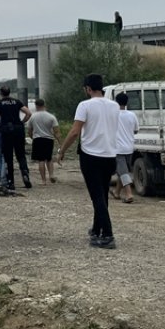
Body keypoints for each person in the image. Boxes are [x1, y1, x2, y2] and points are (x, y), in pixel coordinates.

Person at [58, 73, 121, 249]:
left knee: (97, 196)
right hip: (110, 154)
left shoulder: (84, 105)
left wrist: (62, 150)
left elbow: (74, 131)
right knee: (102, 194)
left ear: (88, 89)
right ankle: (96, 229)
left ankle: (108, 235)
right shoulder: (114, 106)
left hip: (91, 155)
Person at [0, 87, 33, 190]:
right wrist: (22, 122)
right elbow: (28, 113)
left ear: (1, 93)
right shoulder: (17, 102)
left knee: (8, 157)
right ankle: (25, 173)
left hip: (6, 130)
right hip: (18, 129)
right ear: (9, 92)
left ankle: (11, 181)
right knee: (21, 155)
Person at [113, 92, 139, 203]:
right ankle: (117, 192)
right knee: (122, 171)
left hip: (117, 148)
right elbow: (136, 130)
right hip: (129, 147)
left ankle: (129, 194)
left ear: (115, 102)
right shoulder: (132, 115)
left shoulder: (113, 114)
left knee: (123, 172)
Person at [27, 99, 60, 184]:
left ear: (36, 105)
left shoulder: (33, 117)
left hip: (37, 139)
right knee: (49, 159)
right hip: (49, 139)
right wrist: (60, 142)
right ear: (44, 105)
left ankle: (43, 180)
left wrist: (33, 137)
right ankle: (51, 175)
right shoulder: (51, 116)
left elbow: (29, 131)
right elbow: (56, 131)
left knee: (41, 160)